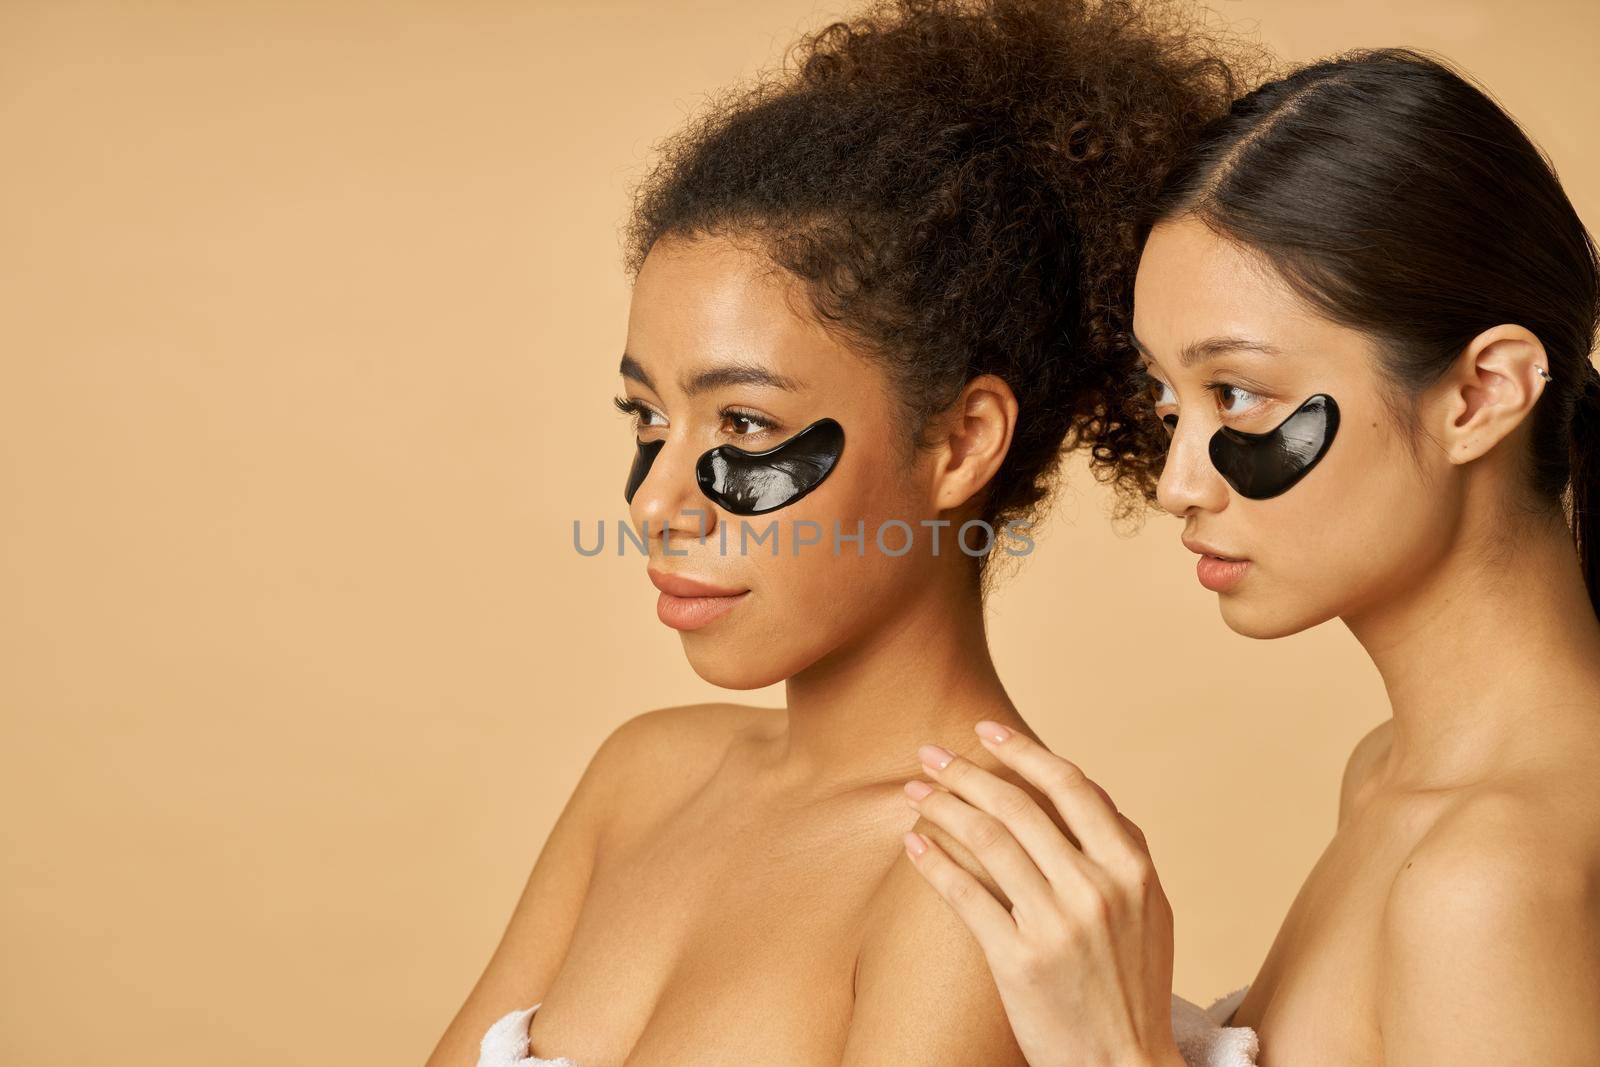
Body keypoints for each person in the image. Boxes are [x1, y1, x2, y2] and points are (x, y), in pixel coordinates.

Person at [422, 1, 1249, 1064]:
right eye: (647, 419)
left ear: (958, 442)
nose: (655, 500)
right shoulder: (644, 778)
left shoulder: (977, 876)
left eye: (746, 423)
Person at [901, 47, 1600, 1065]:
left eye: (1237, 394)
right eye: (1165, 397)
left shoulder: (1485, 877)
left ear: (1481, 393)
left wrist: (1112, 1053)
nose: (1178, 478)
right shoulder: (1387, 776)